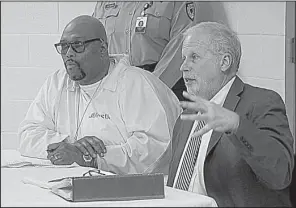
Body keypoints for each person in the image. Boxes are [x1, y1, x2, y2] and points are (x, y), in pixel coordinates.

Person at [18, 15, 181, 175]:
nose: (68, 53)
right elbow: (28, 135)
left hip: (134, 191)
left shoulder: (136, 84)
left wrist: (91, 158)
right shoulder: (56, 83)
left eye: (77, 45)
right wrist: (71, 146)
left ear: (102, 48)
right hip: (74, 183)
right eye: (64, 46)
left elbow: (155, 148)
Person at [166, 22, 295, 207]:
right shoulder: (186, 115)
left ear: (224, 62)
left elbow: (280, 174)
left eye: (194, 57)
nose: (183, 67)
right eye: (183, 58)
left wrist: (237, 125)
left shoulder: (261, 102)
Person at [92, 1, 199, 101]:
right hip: (114, 87)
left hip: (164, 86)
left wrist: (150, 89)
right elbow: (92, 42)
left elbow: (180, 46)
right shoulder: (103, 3)